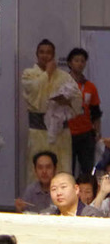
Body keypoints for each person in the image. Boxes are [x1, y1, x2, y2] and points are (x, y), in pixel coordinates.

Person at [22, 39, 81, 184]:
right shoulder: (29, 74)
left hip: (61, 133)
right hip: (38, 131)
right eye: (42, 52)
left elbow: (77, 99)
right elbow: (33, 91)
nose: (45, 55)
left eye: (48, 52)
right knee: (38, 169)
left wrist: (67, 101)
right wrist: (47, 73)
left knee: (62, 168)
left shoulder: (64, 76)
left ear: (53, 55)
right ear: (37, 54)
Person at [66, 47, 102, 175]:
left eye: (82, 61)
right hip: (67, 134)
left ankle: (88, 188)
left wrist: (97, 132)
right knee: (67, 171)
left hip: (86, 134)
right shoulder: (63, 84)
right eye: (76, 60)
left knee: (88, 170)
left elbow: (96, 112)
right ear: (70, 63)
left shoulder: (90, 87)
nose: (80, 64)